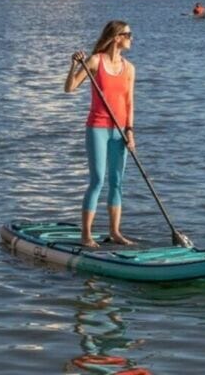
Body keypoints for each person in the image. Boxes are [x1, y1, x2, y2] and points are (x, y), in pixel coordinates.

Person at [64, 21, 139, 249]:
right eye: (128, 34)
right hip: (97, 127)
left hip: (120, 130)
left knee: (117, 182)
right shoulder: (96, 61)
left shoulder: (130, 68)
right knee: (97, 180)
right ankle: (86, 235)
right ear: (117, 37)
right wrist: (73, 66)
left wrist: (130, 131)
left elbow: (129, 102)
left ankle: (115, 232)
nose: (131, 38)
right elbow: (70, 88)